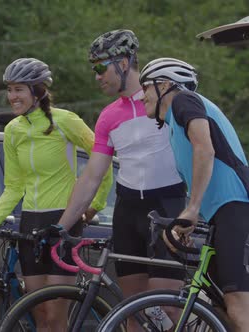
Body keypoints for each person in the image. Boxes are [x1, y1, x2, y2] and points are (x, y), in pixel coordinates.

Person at [55, 30, 187, 330]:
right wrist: (61, 226)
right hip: (128, 211)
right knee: (133, 312)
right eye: (94, 70)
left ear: (124, 63)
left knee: (166, 306)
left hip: (168, 205)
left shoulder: (165, 98)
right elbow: (91, 176)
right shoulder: (108, 116)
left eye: (101, 67)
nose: (97, 76)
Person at [0, 57, 112, 330]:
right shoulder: (13, 130)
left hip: (64, 222)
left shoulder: (65, 121)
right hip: (30, 224)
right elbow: (14, 187)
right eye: (10, 89)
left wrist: (95, 205)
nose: (12, 96)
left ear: (37, 90)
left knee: (55, 316)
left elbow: (103, 160)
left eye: (19, 89)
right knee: (38, 316)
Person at [140, 57, 249, 331]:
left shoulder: (183, 100)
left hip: (235, 203)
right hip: (222, 211)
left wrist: (191, 208)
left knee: (235, 300)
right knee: (221, 301)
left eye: (146, 88)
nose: (141, 97)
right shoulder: (175, 123)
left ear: (164, 84)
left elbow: (205, 149)